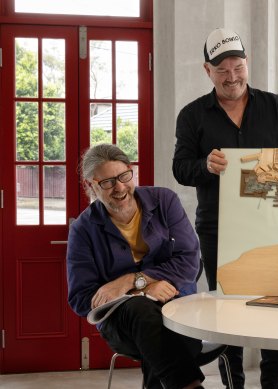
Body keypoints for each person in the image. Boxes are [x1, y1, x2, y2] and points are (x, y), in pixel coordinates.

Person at [172, 27, 278, 389]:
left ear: (247, 64)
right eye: (222, 70)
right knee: (228, 310)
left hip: (274, 225)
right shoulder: (192, 115)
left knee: (275, 308)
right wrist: (205, 165)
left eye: (238, 67)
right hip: (219, 227)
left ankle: (271, 384)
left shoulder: (274, 105)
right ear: (207, 71)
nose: (232, 77)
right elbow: (179, 167)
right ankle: (235, 384)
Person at [67, 143, 205, 389]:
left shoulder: (164, 201)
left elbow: (189, 261)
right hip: (123, 324)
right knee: (143, 313)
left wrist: (130, 281)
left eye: (123, 176)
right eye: (107, 182)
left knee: (159, 338)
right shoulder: (83, 229)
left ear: (131, 172)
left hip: (176, 309)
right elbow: (81, 298)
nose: (119, 188)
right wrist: (142, 292)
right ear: (91, 186)